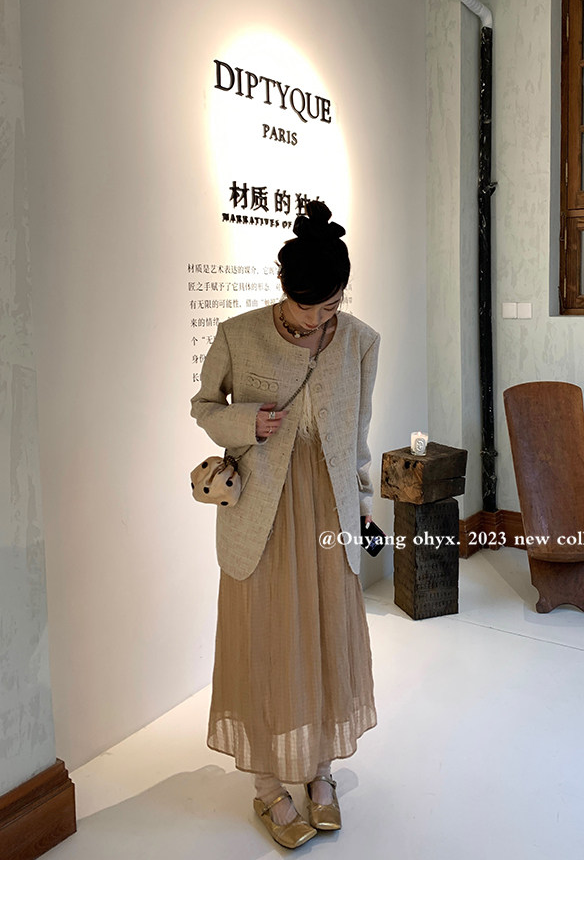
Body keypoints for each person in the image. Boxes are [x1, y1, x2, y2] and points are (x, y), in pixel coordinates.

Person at [190, 199, 379, 850]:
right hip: (263, 516)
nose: (316, 320)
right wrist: (248, 423)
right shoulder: (237, 335)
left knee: (326, 634)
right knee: (268, 637)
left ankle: (320, 770)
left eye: (329, 307)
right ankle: (268, 783)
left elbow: (357, 434)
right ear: (283, 287)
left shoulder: (360, 342)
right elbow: (204, 406)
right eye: (305, 308)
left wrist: (363, 505)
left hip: (327, 510)